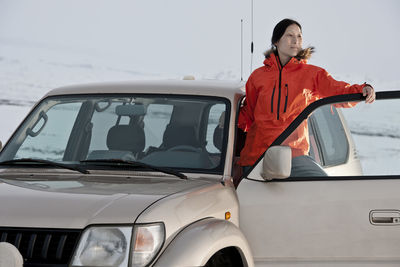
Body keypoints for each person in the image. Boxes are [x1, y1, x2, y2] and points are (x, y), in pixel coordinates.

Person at [237, 18, 375, 178]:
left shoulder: (312, 75)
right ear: (276, 41)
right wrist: (229, 120)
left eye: (299, 36)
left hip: (293, 156)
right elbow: (249, 114)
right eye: (290, 35)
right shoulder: (258, 76)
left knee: (326, 189)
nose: (296, 41)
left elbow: (338, 91)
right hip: (257, 157)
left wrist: (363, 90)